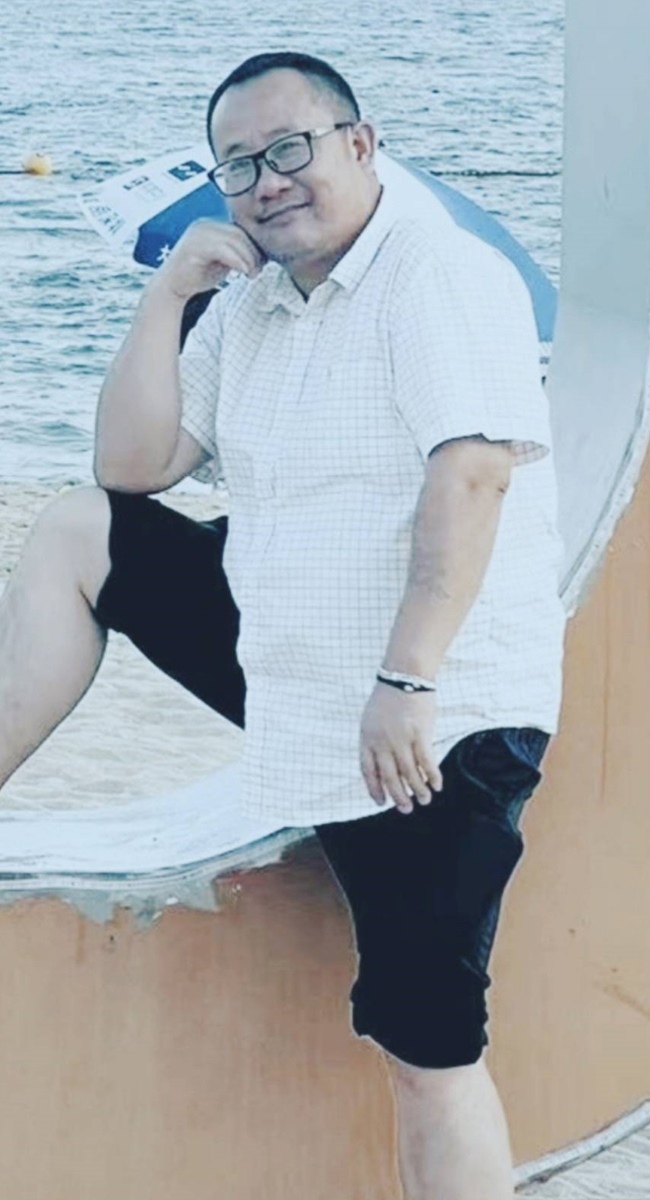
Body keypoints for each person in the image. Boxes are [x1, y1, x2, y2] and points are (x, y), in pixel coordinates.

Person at [0, 51, 566, 1200]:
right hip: (295, 662)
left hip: (433, 711)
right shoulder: (252, 306)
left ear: (359, 144)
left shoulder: (438, 275)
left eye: (290, 148)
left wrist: (407, 680)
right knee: (78, 530)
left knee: (425, 1042)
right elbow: (132, 467)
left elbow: (471, 476)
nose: (266, 181)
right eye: (238, 164)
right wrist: (167, 297)